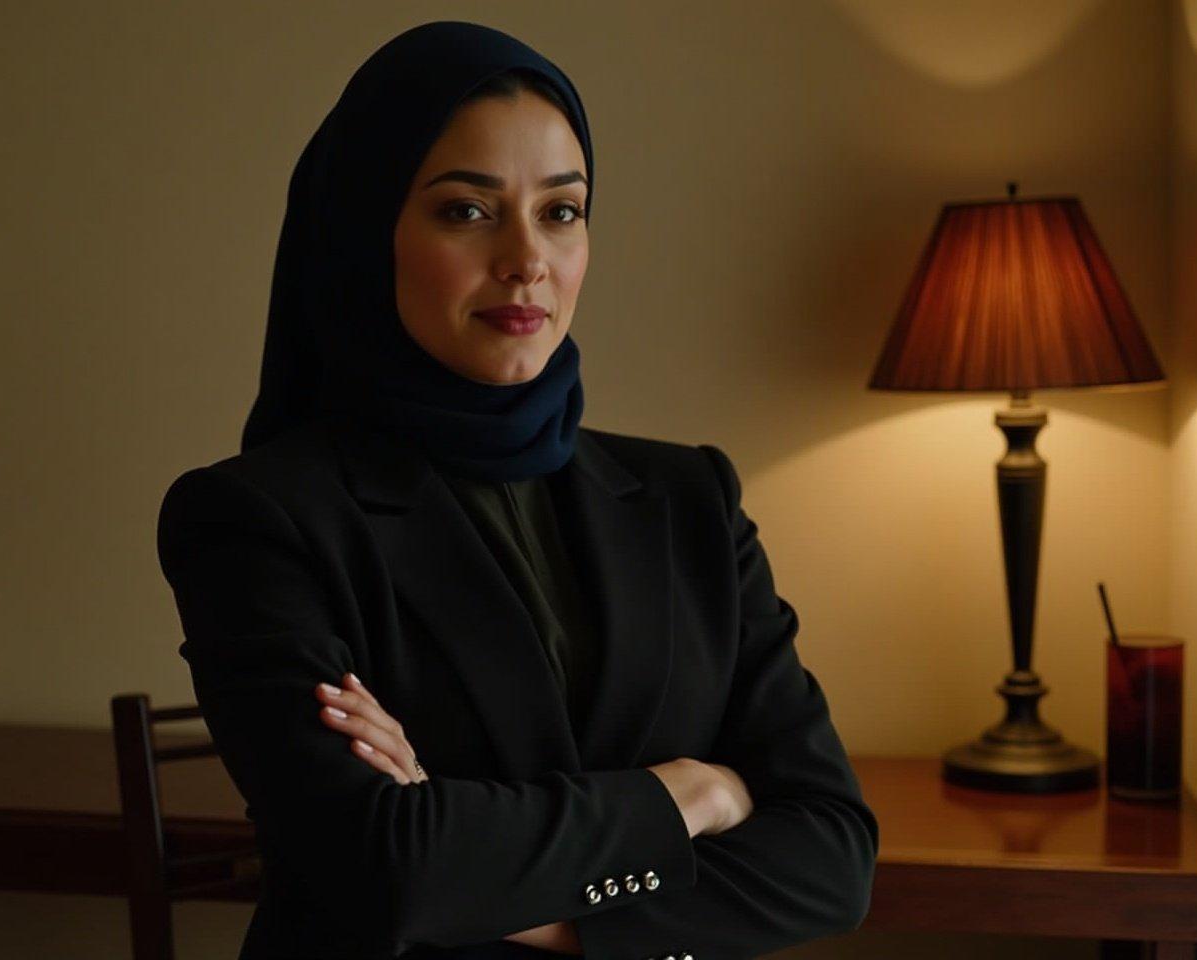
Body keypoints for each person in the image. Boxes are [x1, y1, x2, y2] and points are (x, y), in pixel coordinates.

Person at [157, 19, 878, 960]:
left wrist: (487, 874)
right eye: (466, 210)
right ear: (365, 232)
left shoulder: (688, 498)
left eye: (561, 210)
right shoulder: (258, 518)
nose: (526, 258)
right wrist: (690, 794)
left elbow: (832, 858)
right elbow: (385, 870)